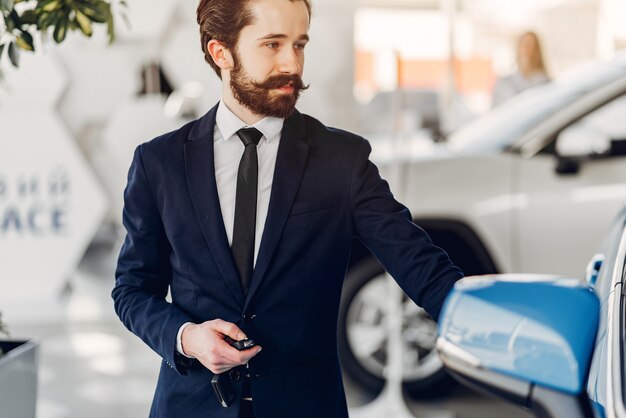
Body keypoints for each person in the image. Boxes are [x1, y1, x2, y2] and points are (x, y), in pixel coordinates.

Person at [112, 1, 463, 417]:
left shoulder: (342, 159)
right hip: (189, 406)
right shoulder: (160, 163)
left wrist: (492, 329)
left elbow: (420, 264)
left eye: (299, 45)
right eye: (272, 44)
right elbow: (132, 290)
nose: (291, 64)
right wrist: (186, 337)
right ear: (220, 52)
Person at [492, 31, 550, 108]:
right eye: (525, 45)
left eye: (532, 47)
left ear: (537, 52)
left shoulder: (547, 84)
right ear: (518, 48)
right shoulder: (504, 83)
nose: (528, 51)